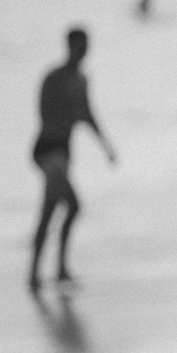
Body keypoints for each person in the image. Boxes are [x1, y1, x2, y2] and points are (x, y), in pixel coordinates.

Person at [29, 28, 118, 290]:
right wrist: (68, 115)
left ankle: (51, 271)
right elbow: (44, 113)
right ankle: (45, 272)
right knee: (62, 207)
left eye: (87, 46)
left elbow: (88, 115)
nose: (84, 51)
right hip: (48, 148)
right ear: (70, 46)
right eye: (80, 45)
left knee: (62, 207)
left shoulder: (81, 80)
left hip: (64, 151)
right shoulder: (53, 77)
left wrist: (105, 146)